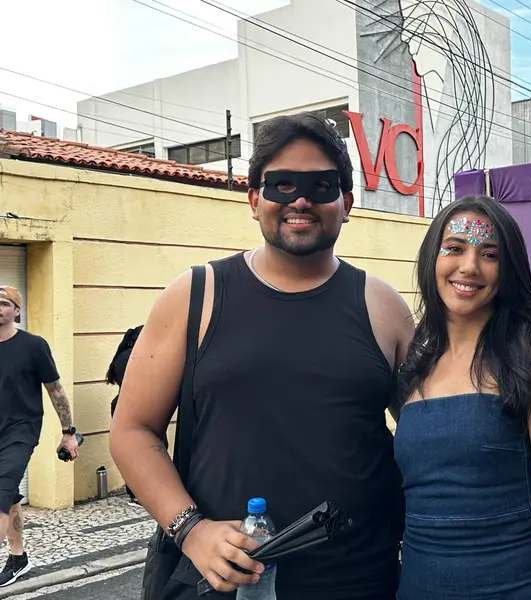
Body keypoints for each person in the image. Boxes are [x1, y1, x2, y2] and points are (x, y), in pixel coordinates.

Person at [109, 113, 414, 600]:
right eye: (281, 185)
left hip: (360, 579)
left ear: (347, 203)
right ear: (254, 200)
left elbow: (431, 436)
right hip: (223, 584)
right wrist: (191, 530)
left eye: (321, 186)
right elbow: (131, 430)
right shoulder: (195, 296)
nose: (300, 200)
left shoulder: (383, 307)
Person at [394, 196, 531, 600]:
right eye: (455, 248)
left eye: (489, 254)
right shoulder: (416, 365)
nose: (469, 266)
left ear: (507, 270)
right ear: (433, 258)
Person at [0, 286, 80, 588]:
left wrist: (68, 433)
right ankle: (18, 557)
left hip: (20, 431)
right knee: (10, 497)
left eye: (4, 303)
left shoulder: (33, 345)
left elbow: (55, 389)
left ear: (16, 311)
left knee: (1, 490)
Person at [107, 325, 148, 504]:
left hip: (138, 406)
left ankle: (143, 491)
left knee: (152, 449)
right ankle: (135, 492)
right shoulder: (126, 358)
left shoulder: (137, 356)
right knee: (135, 451)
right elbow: (136, 385)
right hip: (130, 407)